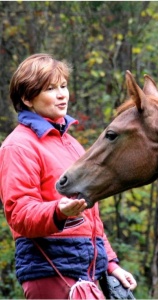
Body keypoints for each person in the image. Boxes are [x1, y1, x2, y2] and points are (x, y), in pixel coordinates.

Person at [0, 53, 137, 299]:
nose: (62, 94)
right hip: (50, 271)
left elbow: (90, 218)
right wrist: (58, 212)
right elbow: (19, 214)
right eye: (51, 88)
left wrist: (111, 264)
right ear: (27, 97)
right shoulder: (18, 145)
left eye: (63, 86)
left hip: (89, 272)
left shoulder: (73, 145)